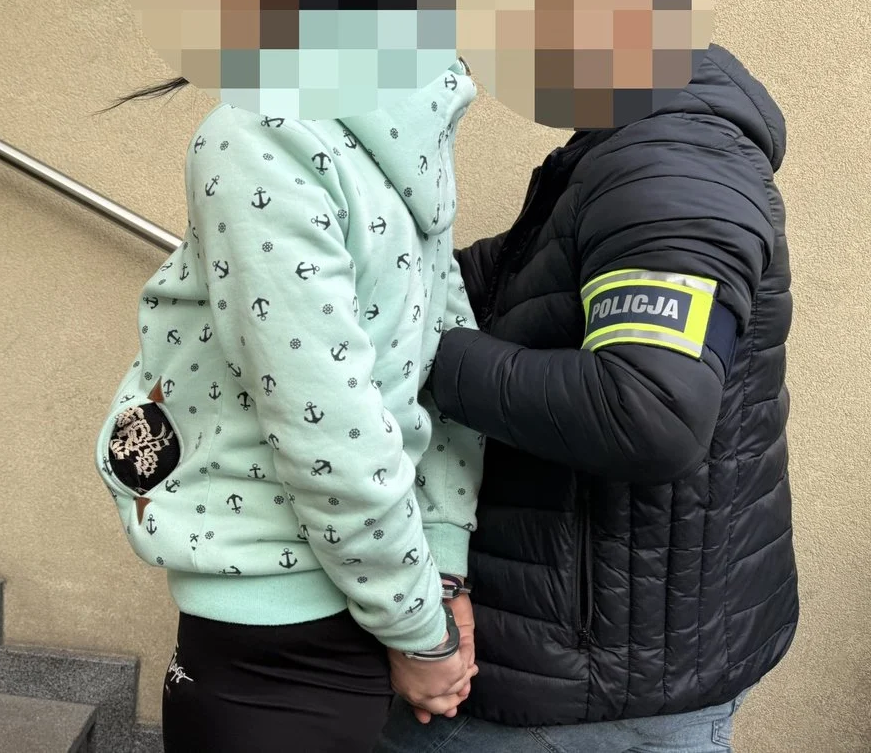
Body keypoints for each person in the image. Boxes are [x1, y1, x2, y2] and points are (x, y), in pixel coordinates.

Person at [376, 43, 797, 752]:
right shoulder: (618, 150)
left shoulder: (673, 163)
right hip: (610, 645)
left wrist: (427, 358)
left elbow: (649, 410)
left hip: (593, 672)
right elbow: (517, 286)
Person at [97, 62, 487, 752]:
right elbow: (444, 363)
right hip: (362, 614)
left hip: (272, 650)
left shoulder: (259, 133)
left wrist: (424, 631)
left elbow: (333, 435)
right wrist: (437, 589)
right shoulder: (406, 145)